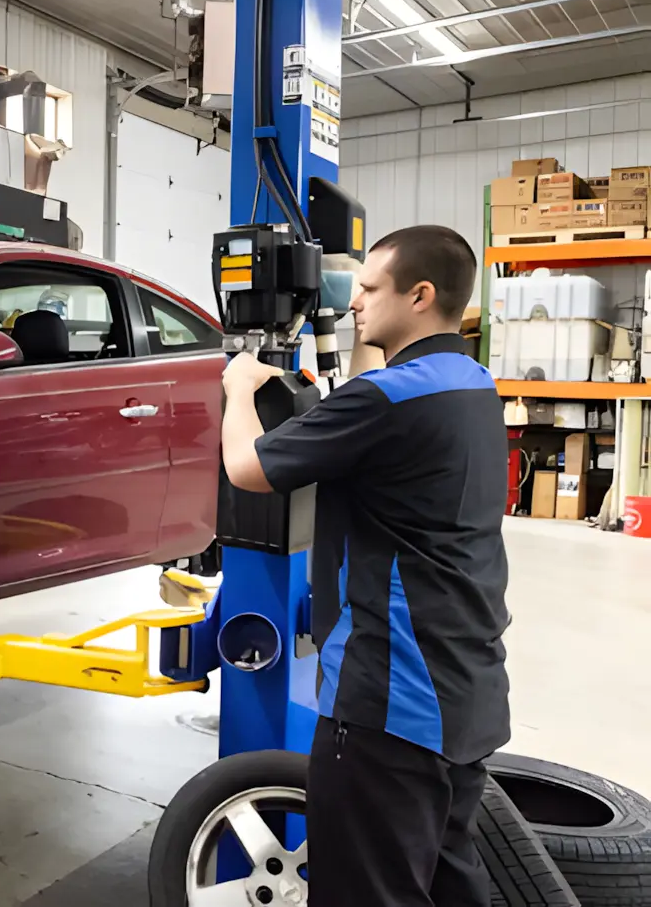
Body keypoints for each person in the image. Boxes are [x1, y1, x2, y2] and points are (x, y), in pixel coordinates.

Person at [220, 224, 510, 907]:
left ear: (421, 295)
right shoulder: (470, 383)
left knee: (367, 892)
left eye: (370, 289)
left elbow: (247, 469)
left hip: (388, 701)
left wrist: (240, 386)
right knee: (442, 881)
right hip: (465, 688)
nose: (353, 302)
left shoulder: (383, 399)